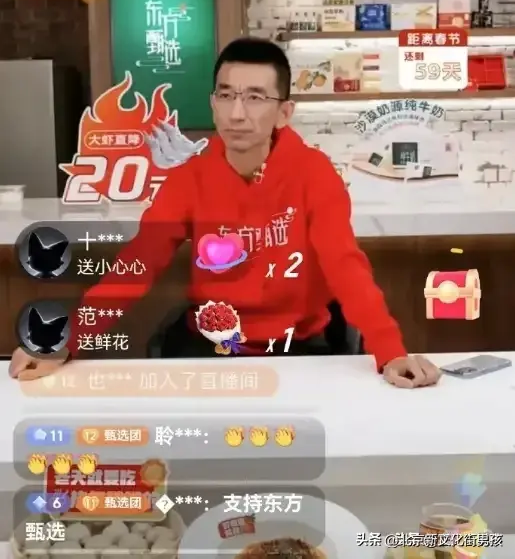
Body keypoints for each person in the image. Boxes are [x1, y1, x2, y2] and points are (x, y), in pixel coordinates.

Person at [10, 38, 441, 388]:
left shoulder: (314, 173)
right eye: (227, 95)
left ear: (284, 112)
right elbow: (137, 265)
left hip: (300, 347)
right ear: (213, 103)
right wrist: (65, 339)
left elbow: (345, 264)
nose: (237, 113)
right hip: (211, 347)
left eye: (255, 98)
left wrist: (390, 351)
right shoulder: (189, 179)